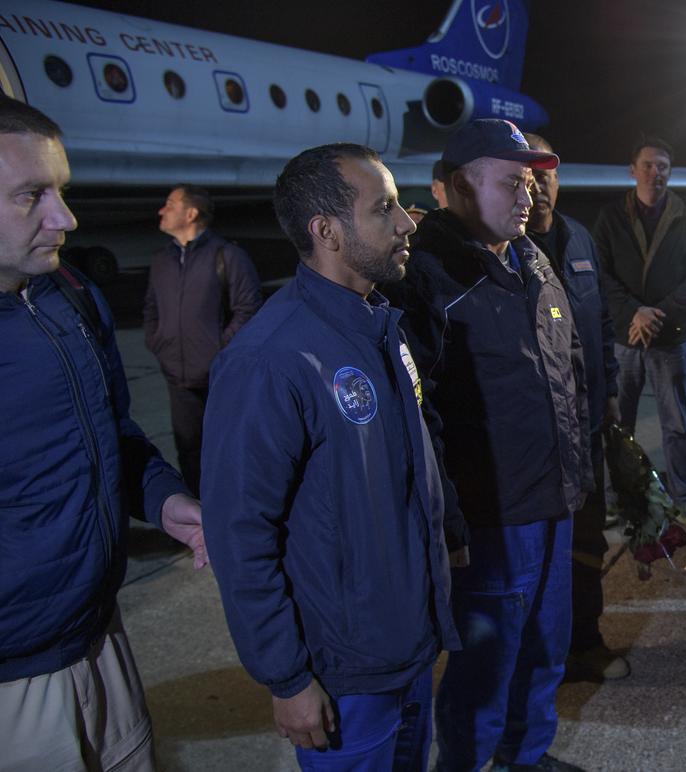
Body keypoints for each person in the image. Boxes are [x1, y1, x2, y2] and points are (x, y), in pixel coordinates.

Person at [200, 143, 460, 769]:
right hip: (345, 675)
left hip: (408, 648)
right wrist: (287, 679)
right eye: (385, 209)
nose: (407, 223)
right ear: (327, 232)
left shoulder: (379, 324)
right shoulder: (272, 358)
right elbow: (240, 533)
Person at [0, 94, 205, 772]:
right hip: (16, 675)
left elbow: (111, 435)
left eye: (60, 191)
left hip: (99, 635)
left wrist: (166, 501)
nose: (66, 218)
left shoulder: (70, 295)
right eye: (32, 196)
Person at [384, 119, 590, 772]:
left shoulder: (533, 259)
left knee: (545, 649)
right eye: (510, 181)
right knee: (485, 669)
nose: (527, 194)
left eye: (529, 181)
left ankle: (526, 757)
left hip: (553, 502)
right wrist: (449, 519)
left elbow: (570, 367)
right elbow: (416, 414)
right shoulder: (429, 275)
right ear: (452, 189)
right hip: (492, 519)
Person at [524, 133, 630, 682]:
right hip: (536, 443)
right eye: (529, 172)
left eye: (549, 173)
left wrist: (609, 390)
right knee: (536, 556)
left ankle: (586, 644)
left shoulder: (579, 238)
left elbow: (602, 323)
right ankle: (540, 662)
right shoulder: (506, 252)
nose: (539, 184)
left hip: (585, 432)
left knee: (588, 542)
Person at [593, 136, 686, 522]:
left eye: (662, 166)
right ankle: (618, 497)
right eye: (647, 165)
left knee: (676, 426)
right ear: (633, 170)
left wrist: (656, 313)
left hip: (670, 340)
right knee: (618, 424)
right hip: (625, 340)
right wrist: (633, 313)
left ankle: (684, 498)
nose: (654, 172)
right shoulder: (611, 218)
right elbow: (601, 275)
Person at [143, 184, 260, 496]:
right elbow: (151, 308)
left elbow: (247, 310)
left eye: (169, 204)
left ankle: (235, 514)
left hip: (218, 376)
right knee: (188, 451)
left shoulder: (228, 256)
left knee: (228, 449)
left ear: (191, 213)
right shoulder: (161, 260)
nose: (161, 210)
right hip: (177, 377)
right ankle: (201, 517)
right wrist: (158, 342)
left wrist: (218, 352)